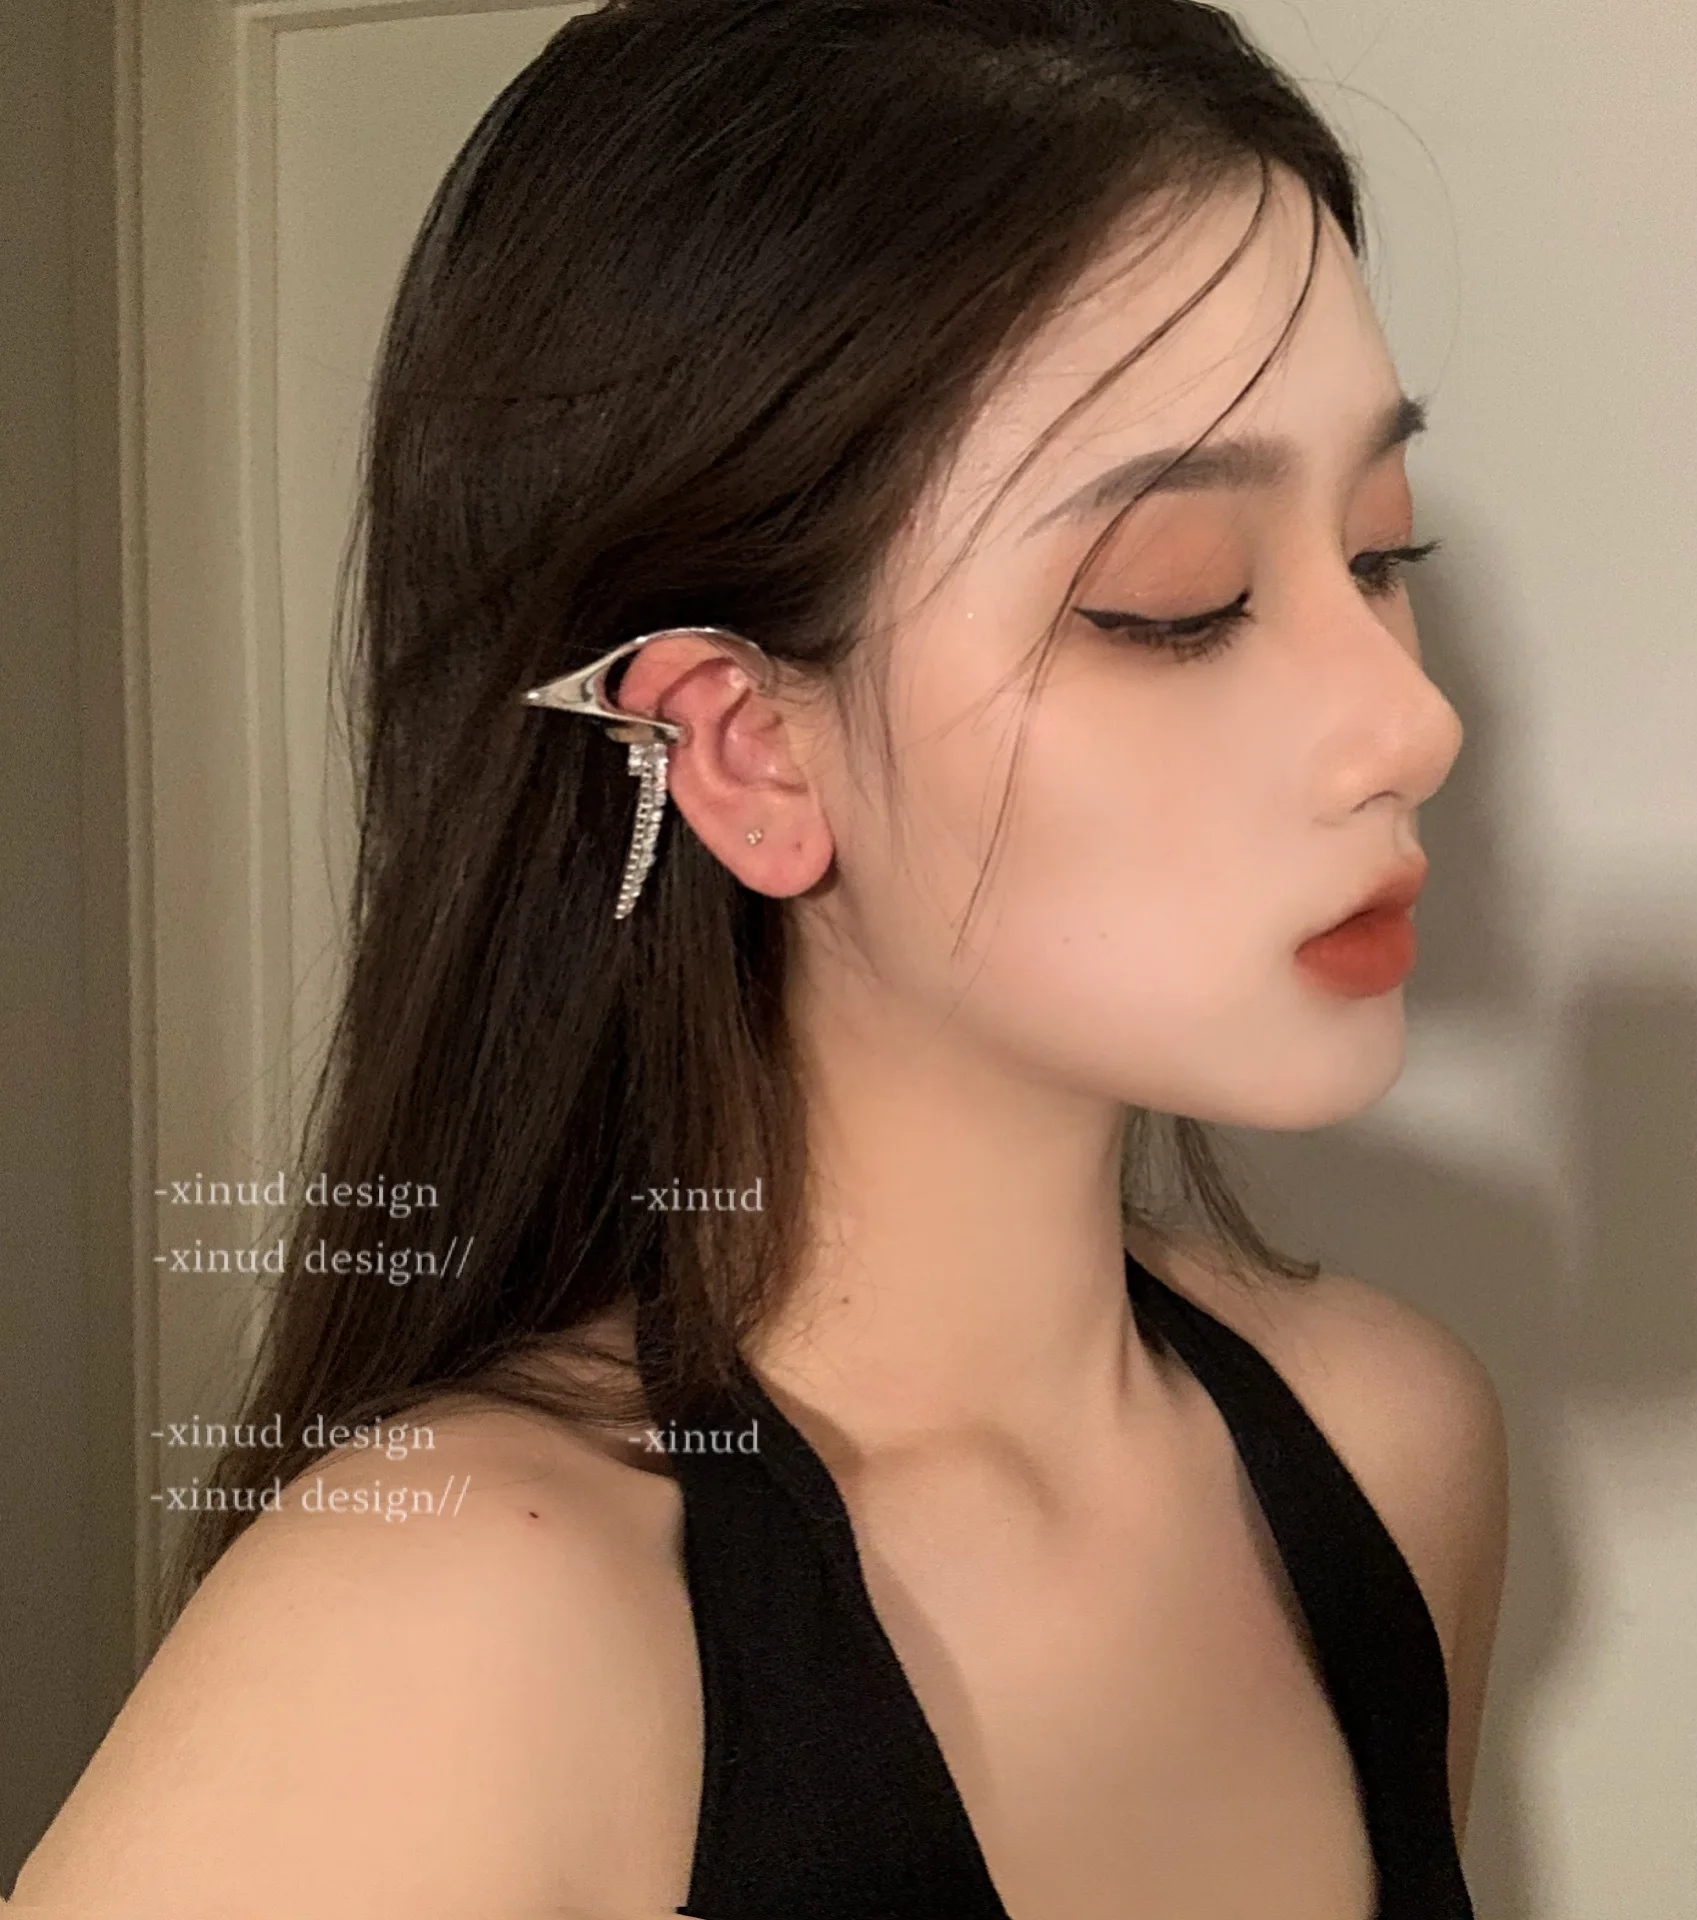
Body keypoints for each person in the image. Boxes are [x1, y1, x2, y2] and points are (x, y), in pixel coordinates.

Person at [13, 0, 1507, 1913]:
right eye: (1179, 602)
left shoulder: (1394, 1449)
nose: (1409, 724)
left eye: (1380, 552)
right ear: (743, 750)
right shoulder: (447, 1644)